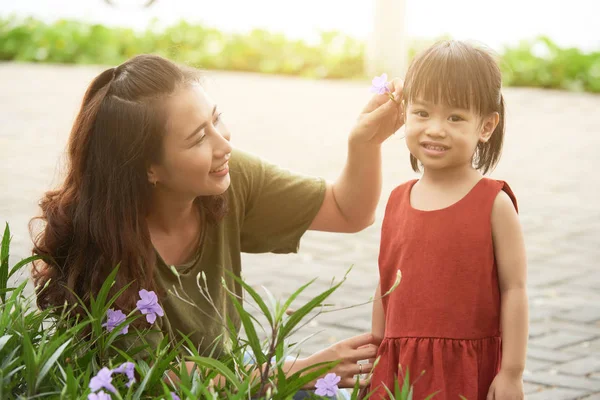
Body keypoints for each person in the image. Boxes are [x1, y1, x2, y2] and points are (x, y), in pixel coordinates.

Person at [29, 54, 404, 395]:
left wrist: (365, 142)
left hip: (236, 383)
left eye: (216, 118)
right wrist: (300, 369)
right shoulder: (100, 245)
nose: (223, 142)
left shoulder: (228, 174)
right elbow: (160, 377)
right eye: (197, 139)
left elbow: (347, 210)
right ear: (149, 169)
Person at [368, 41, 528, 400]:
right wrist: (376, 349)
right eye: (422, 113)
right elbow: (385, 284)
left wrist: (512, 373)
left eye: (455, 118)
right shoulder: (396, 200)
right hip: (398, 368)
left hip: (464, 372)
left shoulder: (494, 203)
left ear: (486, 126)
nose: (435, 129)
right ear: (405, 112)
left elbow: (514, 289)